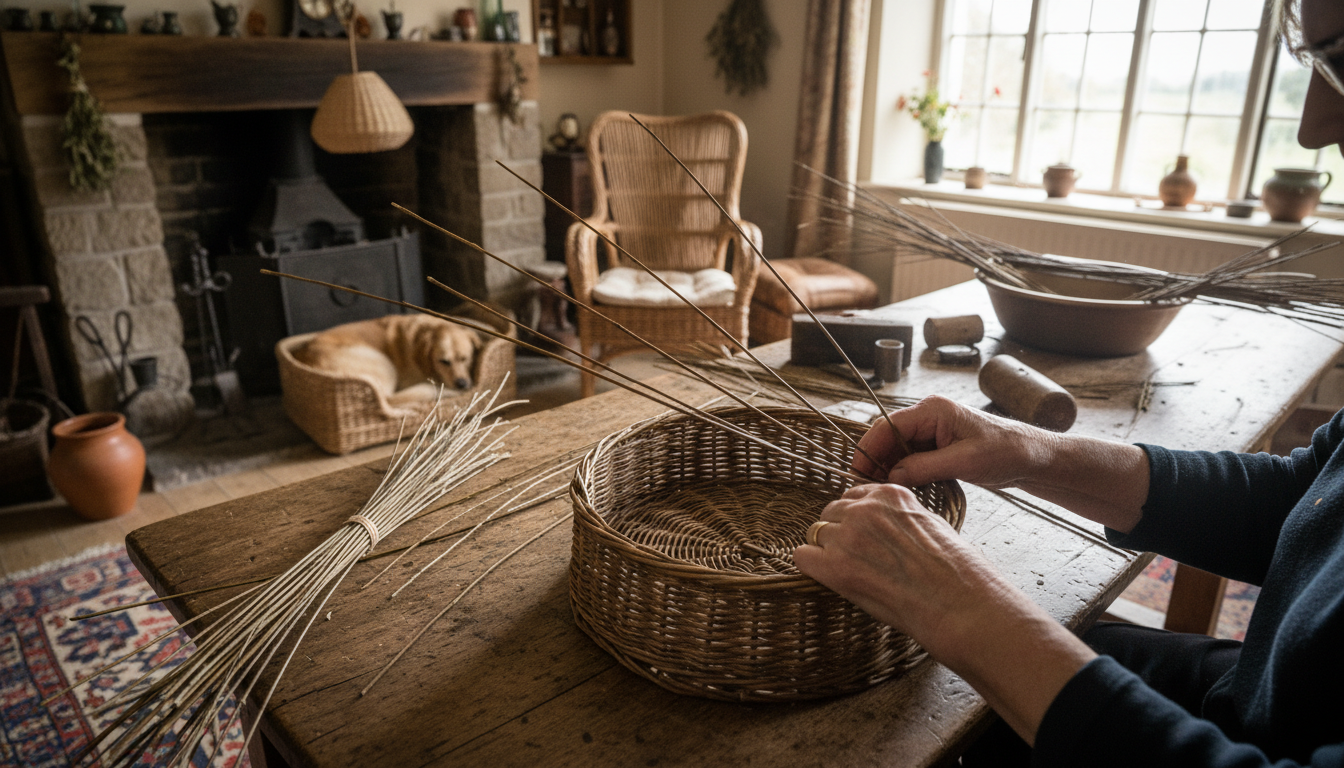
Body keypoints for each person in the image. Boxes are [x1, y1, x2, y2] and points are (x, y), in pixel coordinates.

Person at [792, 2, 1344, 765]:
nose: (1315, 125)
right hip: (1265, 690)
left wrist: (960, 607)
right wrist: (1029, 455)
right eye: (1316, 62)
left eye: (1340, 59)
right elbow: (1301, 502)